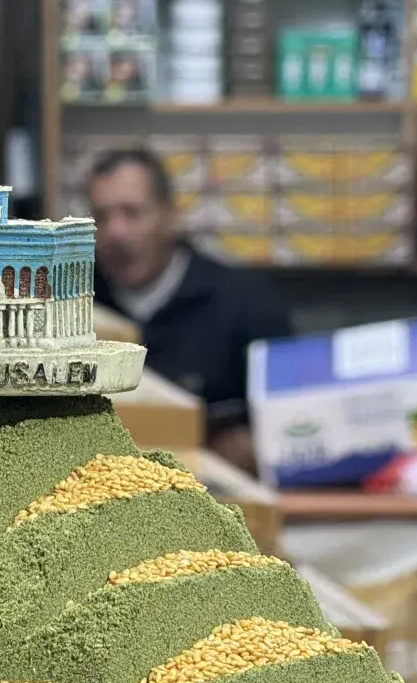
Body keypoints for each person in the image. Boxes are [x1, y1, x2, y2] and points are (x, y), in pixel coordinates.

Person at [87, 147, 293, 473]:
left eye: (132, 213)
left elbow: (294, 426)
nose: (116, 233)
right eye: (102, 217)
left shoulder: (246, 304)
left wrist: (254, 447)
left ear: (171, 217)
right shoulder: (75, 307)